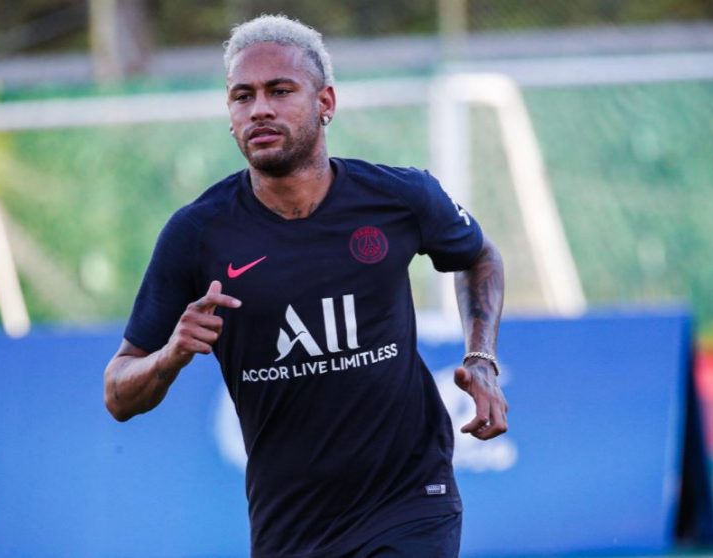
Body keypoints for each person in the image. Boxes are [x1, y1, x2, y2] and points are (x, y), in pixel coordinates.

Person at [104, 14, 508, 558]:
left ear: (326, 103)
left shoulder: (399, 198)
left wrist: (481, 356)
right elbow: (118, 392)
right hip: (292, 525)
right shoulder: (197, 234)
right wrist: (170, 355)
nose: (260, 108)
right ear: (230, 116)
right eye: (242, 96)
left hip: (411, 497)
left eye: (280, 90)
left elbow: (479, 255)